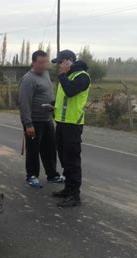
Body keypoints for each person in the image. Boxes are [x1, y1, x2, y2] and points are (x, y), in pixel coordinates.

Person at [51, 50, 91, 207]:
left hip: (73, 125)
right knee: (64, 158)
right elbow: (64, 99)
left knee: (73, 161)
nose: (59, 66)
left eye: (60, 62)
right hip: (61, 123)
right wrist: (53, 106)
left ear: (69, 61)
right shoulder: (67, 77)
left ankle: (75, 196)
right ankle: (68, 189)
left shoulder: (82, 76)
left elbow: (71, 91)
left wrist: (62, 75)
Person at [19, 50, 63, 189]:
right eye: (41, 62)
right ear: (33, 63)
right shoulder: (28, 79)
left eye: (46, 62)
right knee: (33, 149)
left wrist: (52, 106)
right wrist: (28, 124)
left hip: (47, 119)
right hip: (34, 121)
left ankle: (52, 174)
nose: (44, 65)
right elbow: (24, 103)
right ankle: (31, 176)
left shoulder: (46, 74)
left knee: (50, 148)